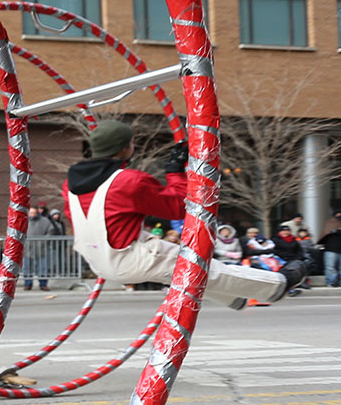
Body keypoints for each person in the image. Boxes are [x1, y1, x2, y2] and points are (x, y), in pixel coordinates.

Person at [62, 121, 293, 309]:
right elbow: (177, 207)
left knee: (182, 273)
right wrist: (174, 171)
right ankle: (277, 285)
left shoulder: (69, 185)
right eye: (132, 142)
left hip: (97, 260)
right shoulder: (128, 181)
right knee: (199, 267)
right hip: (128, 257)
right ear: (125, 148)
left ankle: (232, 297)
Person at [25, 205, 57, 291]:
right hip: (27, 248)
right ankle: (28, 284)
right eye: (31, 213)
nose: (32, 215)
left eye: (34, 213)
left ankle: (43, 284)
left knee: (43, 267)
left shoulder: (45, 221)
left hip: (42, 249)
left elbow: (51, 231)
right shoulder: (24, 220)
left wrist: (44, 241)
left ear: (37, 213)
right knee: (27, 267)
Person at [321, 211, 341, 288]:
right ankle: (331, 282)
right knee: (330, 267)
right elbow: (325, 233)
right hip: (330, 248)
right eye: (338, 214)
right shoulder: (329, 223)